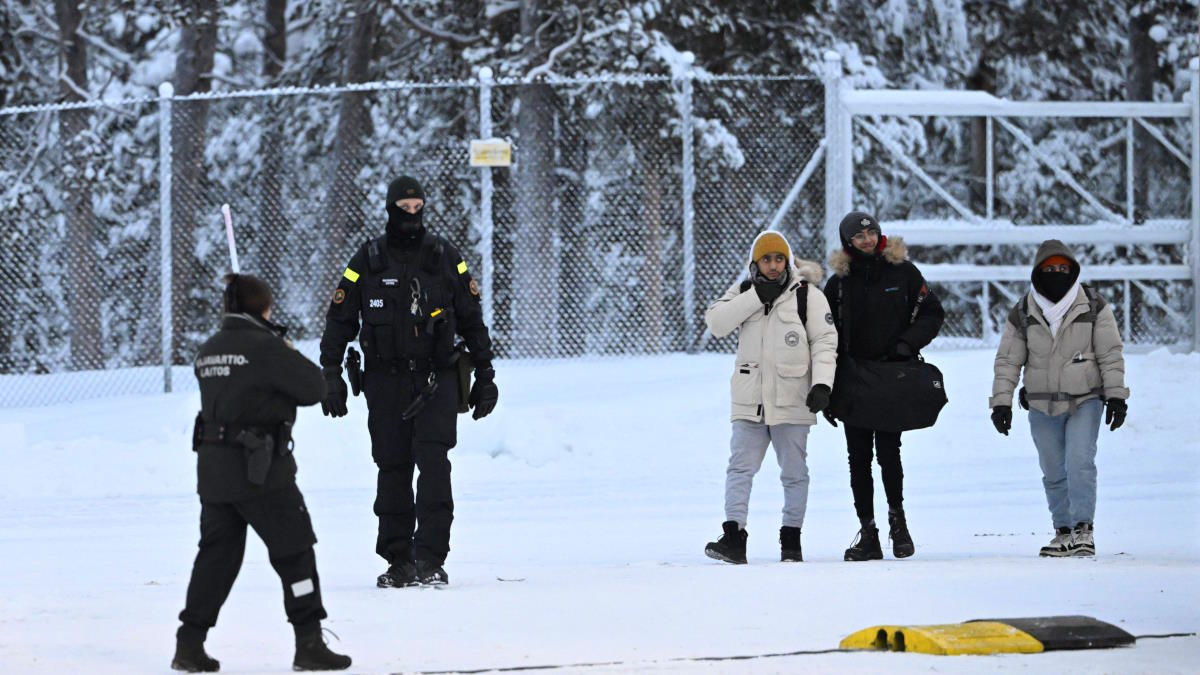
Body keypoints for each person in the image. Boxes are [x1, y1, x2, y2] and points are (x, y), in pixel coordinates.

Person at [319, 175, 497, 588]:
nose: (411, 216)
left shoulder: (444, 257)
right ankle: (399, 559)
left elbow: (472, 320)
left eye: (418, 208)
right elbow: (339, 320)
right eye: (404, 208)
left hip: (437, 381)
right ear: (390, 209)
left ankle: (430, 557)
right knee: (392, 467)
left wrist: (486, 375)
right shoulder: (367, 260)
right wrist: (330, 374)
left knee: (434, 466)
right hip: (384, 383)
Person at [174, 273, 350, 672]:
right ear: (264, 308)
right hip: (261, 472)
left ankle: (189, 642)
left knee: (216, 560)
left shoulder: (209, 350)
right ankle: (308, 642)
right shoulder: (265, 348)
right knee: (295, 552)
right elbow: (312, 388)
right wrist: (282, 347)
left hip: (215, 471)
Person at [703, 231, 838, 564]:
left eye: (779, 259)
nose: (774, 266)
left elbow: (824, 342)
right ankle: (734, 537)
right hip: (750, 400)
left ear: (788, 261)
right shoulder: (744, 292)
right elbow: (716, 323)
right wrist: (754, 297)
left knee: (794, 473)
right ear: (756, 262)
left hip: (794, 398)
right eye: (767, 259)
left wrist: (822, 384)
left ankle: (791, 539)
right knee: (739, 468)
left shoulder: (807, 296)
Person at [989, 239, 1129, 557]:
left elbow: (1110, 354)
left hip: (1085, 400)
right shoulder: (1023, 311)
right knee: (1053, 468)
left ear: (1073, 270)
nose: (1056, 273)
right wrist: (1001, 402)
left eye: (1062, 268)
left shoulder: (1093, 306)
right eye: (1050, 269)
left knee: (1079, 462)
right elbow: (1008, 360)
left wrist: (1117, 396)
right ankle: (1063, 530)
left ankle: (1083, 529)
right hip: (1040, 403)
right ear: (1038, 271)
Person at [823, 211, 945, 562]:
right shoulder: (838, 284)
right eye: (858, 236)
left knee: (889, 452)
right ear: (848, 242)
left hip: (893, 377)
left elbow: (931, 313)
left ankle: (899, 524)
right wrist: (829, 390)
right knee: (858, 459)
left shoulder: (903, 272)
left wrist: (908, 345)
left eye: (871, 233)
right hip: (854, 380)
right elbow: (824, 337)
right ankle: (869, 531)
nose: (866, 240)